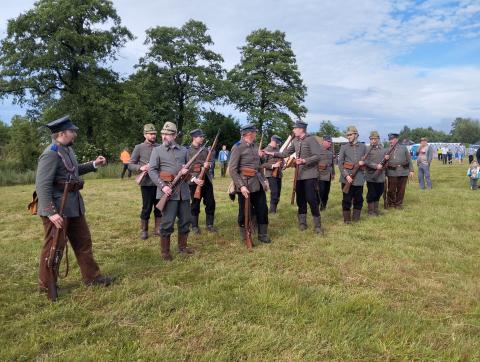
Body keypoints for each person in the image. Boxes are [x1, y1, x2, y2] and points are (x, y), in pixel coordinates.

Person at [35, 115, 114, 299]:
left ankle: (92, 278)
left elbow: (73, 169)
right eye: (72, 131)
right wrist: (50, 212)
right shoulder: (51, 153)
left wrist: (94, 164)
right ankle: (46, 284)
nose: (74, 134)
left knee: (83, 242)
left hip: (73, 205)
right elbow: (42, 184)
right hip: (58, 208)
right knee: (54, 247)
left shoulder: (67, 150)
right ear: (62, 133)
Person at [266, 120, 323, 233]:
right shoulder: (296, 141)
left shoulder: (311, 139)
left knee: (311, 199)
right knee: (300, 199)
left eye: (295, 128)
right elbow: (285, 153)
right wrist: (270, 153)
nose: (293, 130)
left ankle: (317, 225)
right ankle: (302, 223)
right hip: (299, 175)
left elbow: (318, 156)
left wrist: (304, 160)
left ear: (301, 129)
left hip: (310, 175)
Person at [148, 121, 193, 261]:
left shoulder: (184, 151)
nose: (164, 136)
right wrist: (163, 186)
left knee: (185, 221)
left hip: (183, 192)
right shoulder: (157, 150)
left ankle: (182, 247)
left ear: (174, 135)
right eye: (163, 134)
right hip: (168, 192)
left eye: (167, 134)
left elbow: (189, 173)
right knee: (167, 222)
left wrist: (186, 171)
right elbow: (152, 170)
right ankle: (165, 252)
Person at [229, 124, 271, 244]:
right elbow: (232, 169)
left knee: (263, 209)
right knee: (244, 212)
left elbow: (258, 166)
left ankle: (262, 235)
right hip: (244, 185)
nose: (255, 134)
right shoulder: (237, 147)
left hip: (257, 183)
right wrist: (241, 186)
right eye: (254, 132)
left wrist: (264, 180)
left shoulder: (255, 146)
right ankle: (245, 236)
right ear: (249, 134)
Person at [128, 124, 161, 240]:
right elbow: (130, 165)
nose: (153, 136)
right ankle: (144, 230)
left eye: (154, 134)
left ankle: (158, 229)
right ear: (145, 134)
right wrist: (140, 168)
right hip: (146, 183)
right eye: (151, 134)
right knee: (146, 207)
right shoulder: (139, 147)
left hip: (159, 182)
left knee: (159, 207)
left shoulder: (159, 147)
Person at [187, 129, 216, 233]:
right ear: (194, 137)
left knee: (210, 202)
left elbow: (211, 161)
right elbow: (187, 168)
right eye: (200, 137)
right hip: (194, 180)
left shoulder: (205, 150)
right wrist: (195, 178)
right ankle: (194, 226)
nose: (202, 138)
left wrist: (209, 165)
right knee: (195, 203)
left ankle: (209, 225)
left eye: (203, 137)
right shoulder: (187, 151)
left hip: (206, 179)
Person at [338, 126, 367, 223]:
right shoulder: (344, 147)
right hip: (346, 178)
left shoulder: (363, 147)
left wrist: (364, 163)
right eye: (347, 135)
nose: (348, 137)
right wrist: (346, 175)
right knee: (346, 199)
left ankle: (356, 218)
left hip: (359, 177)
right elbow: (340, 163)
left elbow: (367, 160)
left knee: (359, 199)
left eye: (350, 135)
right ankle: (347, 219)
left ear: (356, 135)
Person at [385, 133, 414, 209]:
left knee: (401, 189)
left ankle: (398, 204)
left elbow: (409, 159)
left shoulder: (403, 148)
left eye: (392, 139)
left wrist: (411, 170)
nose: (390, 141)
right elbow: (384, 162)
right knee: (391, 189)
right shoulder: (387, 149)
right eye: (390, 140)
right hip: (392, 172)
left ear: (396, 140)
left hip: (403, 171)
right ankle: (391, 203)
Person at [364, 131, 386, 216]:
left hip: (380, 175)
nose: (373, 141)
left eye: (375, 139)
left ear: (378, 139)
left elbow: (385, 162)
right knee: (371, 193)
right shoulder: (367, 149)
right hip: (371, 175)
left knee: (379, 192)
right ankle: (371, 211)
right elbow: (365, 161)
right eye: (371, 139)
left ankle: (376, 210)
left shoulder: (382, 149)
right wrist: (375, 166)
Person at [262, 135, 283, 213]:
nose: (277, 144)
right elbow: (262, 164)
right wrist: (272, 166)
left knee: (278, 193)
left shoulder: (278, 149)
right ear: (273, 141)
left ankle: (274, 208)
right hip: (270, 174)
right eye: (276, 143)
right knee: (274, 192)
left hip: (279, 173)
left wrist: (282, 164)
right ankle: (272, 210)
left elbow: (282, 158)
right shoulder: (266, 150)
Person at [317, 135, 335, 211]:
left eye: (330, 142)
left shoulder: (331, 151)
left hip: (328, 174)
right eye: (328, 142)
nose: (330, 143)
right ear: (323, 141)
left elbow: (332, 163)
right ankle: (318, 205)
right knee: (321, 191)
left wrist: (333, 173)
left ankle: (323, 206)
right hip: (320, 174)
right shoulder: (317, 150)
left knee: (326, 191)